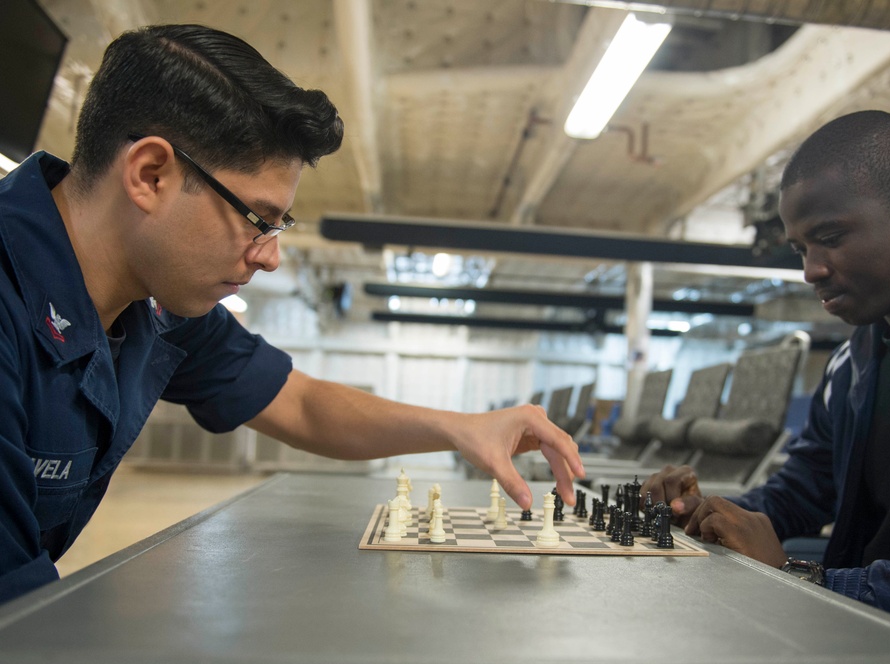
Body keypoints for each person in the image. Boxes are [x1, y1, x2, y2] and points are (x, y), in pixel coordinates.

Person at [0, 24, 583, 605]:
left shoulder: (154, 304)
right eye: (258, 219)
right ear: (150, 175)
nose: (271, 257)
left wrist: (457, 428)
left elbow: (297, 401)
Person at [642, 110, 890, 652]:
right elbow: (808, 487)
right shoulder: (854, 359)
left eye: (829, 238)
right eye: (801, 250)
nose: (811, 270)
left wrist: (812, 579)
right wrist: (713, 514)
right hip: (867, 639)